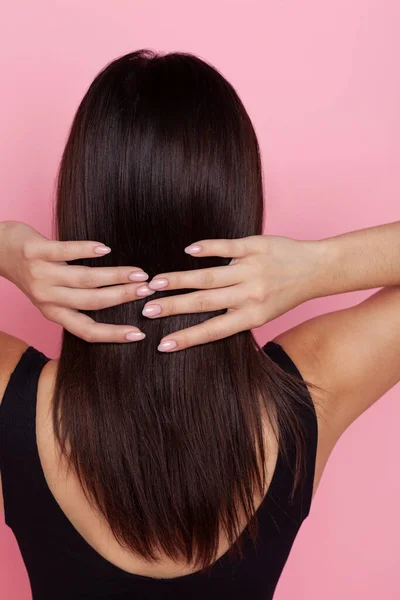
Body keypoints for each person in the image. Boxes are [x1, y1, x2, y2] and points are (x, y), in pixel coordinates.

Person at [0, 49, 399, 600]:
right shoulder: (310, 391)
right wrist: (317, 265)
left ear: (81, 198)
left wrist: (4, 249)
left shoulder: (12, 399)